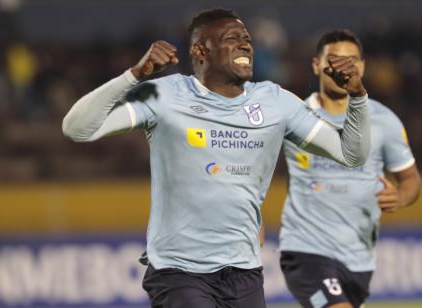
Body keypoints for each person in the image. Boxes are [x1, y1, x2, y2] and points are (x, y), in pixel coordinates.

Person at [62, 9, 371, 308]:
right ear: (201, 50)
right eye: (231, 37)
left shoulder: (275, 102)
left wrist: (357, 97)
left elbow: (351, 154)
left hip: (245, 274)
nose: (245, 44)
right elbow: (76, 128)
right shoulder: (165, 96)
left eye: (246, 38)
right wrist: (133, 76)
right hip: (179, 273)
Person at [279, 29, 422, 308]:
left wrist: (402, 196)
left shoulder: (383, 120)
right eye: (334, 60)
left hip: (359, 259)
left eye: (351, 60)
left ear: (363, 66)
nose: (343, 68)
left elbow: (410, 179)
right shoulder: (294, 116)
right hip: (305, 250)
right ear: (316, 64)